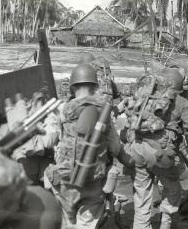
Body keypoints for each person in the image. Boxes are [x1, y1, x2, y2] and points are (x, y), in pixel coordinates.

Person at [44, 64, 133, 229]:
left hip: (65, 178)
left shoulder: (61, 110)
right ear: (95, 86)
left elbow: (49, 141)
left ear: (72, 87)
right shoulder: (104, 112)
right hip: (94, 179)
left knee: (66, 223)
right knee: (86, 225)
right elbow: (114, 147)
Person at [123, 69, 188, 229]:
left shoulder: (146, 97)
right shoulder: (181, 102)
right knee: (173, 191)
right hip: (161, 155)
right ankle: (164, 225)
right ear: (179, 88)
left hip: (138, 149)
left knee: (141, 198)